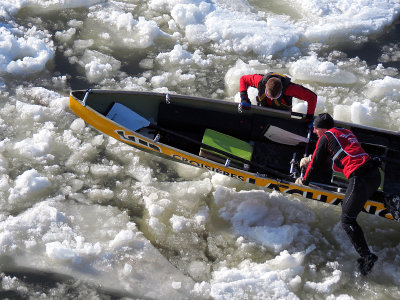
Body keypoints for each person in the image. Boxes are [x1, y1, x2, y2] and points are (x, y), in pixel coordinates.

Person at [296, 113, 381, 275]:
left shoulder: (325, 137)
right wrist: (311, 159)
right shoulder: (346, 132)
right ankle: (391, 200)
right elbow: (340, 155)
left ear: (322, 129)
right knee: (363, 196)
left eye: (315, 129)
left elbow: (315, 165)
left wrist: (304, 181)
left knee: (347, 220)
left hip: (360, 178)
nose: (314, 131)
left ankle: (367, 256)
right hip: (374, 175)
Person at [239, 72, 317, 121]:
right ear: (265, 86)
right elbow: (243, 79)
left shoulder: (290, 89)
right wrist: (244, 98)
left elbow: (312, 97)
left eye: (275, 97)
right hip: (264, 111)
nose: (271, 99)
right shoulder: (259, 81)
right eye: (268, 95)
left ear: (281, 89)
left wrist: (309, 117)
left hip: (283, 115)